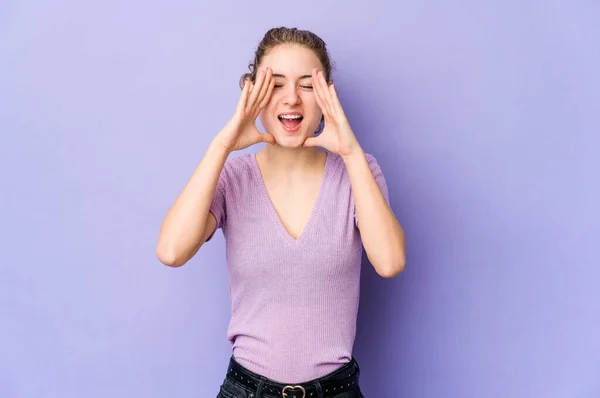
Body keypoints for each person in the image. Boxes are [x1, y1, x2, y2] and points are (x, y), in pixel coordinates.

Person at [156, 27, 406, 398]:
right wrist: (222, 145)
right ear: (252, 92)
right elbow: (172, 251)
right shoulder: (232, 178)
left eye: (307, 85)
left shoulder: (358, 172)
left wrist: (351, 154)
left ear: (326, 97)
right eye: (275, 84)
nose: (291, 99)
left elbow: (389, 262)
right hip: (247, 390)